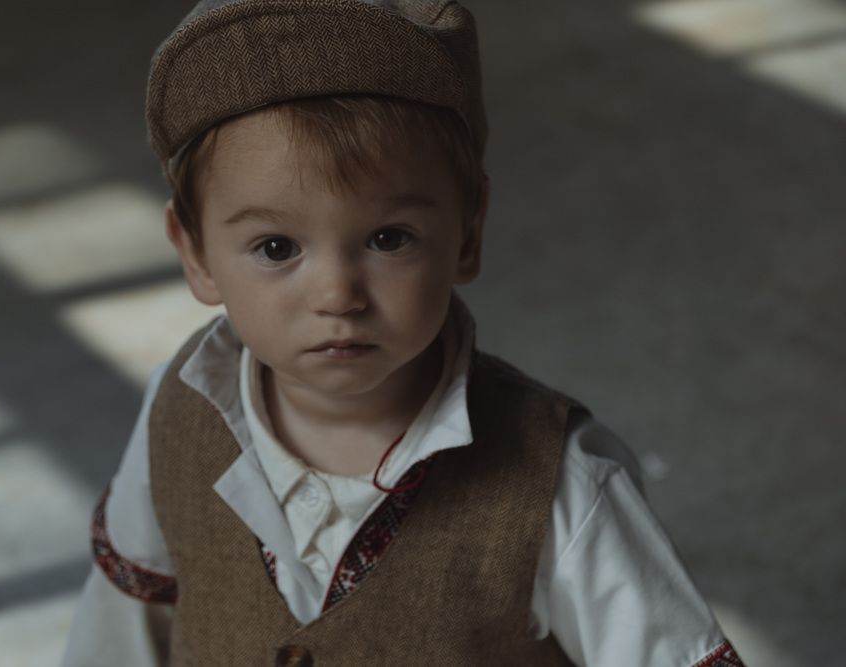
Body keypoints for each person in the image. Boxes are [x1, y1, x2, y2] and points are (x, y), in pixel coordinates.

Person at [63, 1, 746, 665]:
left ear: (468, 233)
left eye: (388, 238)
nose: (337, 295)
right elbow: (117, 636)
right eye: (276, 247)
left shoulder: (559, 480)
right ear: (196, 254)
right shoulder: (178, 413)